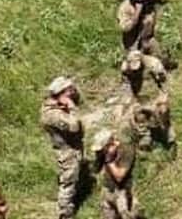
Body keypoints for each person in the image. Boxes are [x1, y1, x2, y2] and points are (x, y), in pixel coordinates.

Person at [39, 77, 87, 219]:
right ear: (60, 93)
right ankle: (65, 212)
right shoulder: (52, 114)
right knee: (68, 183)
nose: (72, 92)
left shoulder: (56, 106)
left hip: (72, 148)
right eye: (68, 91)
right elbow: (74, 126)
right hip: (67, 152)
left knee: (74, 179)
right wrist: (71, 107)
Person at [119, 50, 176, 154]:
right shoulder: (125, 69)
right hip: (139, 97)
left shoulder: (153, 64)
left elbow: (165, 83)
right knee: (138, 116)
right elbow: (126, 87)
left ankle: (169, 138)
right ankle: (145, 137)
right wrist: (129, 103)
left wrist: (163, 97)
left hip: (155, 95)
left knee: (162, 112)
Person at [116, 0, 172, 67]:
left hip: (148, 38)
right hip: (133, 42)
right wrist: (136, 15)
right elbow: (125, 28)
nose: (145, 1)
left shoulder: (149, 0)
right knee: (134, 65)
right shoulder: (125, 8)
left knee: (162, 59)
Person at [91, 130, 142, 219]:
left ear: (109, 144)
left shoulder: (127, 150)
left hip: (123, 192)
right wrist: (99, 157)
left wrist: (109, 160)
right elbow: (95, 169)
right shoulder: (103, 152)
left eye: (102, 149)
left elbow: (119, 177)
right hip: (108, 190)